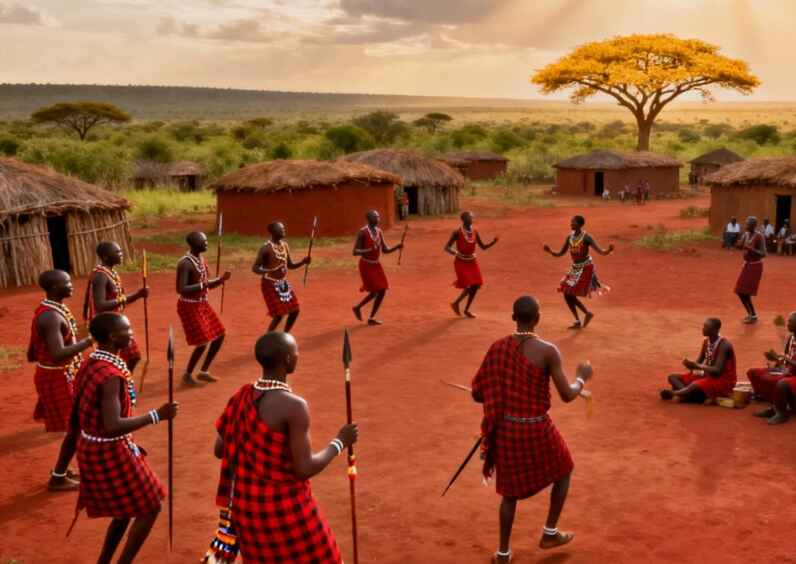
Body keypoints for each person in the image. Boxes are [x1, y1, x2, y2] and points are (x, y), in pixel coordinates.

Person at [210, 332, 357, 563]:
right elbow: (304, 468)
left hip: (246, 510)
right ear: (288, 360)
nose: (298, 355)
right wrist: (340, 441)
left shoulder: (240, 397)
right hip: (285, 510)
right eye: (296, 352)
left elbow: (220, 449)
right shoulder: (294, 406)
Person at [471, 296, 592, 562]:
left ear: (513, 318)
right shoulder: (548, 351)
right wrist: (582, 378)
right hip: (537, 429)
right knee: (564, 470)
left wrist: (498, 394)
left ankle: (503, 553)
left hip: (506, 431)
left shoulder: (497, 348)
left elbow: (477, 394)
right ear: (538, 318)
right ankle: (549, 532)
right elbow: (568, 395)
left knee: (509, 494)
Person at [70, 312, 178, 564]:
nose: (131, 333)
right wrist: (157, 415)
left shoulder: (92, 362)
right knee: (151, 505)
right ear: (111, 336)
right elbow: (112, 426)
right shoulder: (111, 376)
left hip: (96, 445)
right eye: (127, 330)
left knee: (128, 509)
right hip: (108, 449)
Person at [28, 270, 93, 491]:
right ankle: (58, 476)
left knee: (77, 425)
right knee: (76, 427)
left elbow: (32, 351)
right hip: (57, 374)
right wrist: (88, 341)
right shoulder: (50, 316)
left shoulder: (50, 311)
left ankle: (62, 470)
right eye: (67, 282)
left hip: (60, 372)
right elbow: (57, 354)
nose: (71, 285)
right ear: (55, 288)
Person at [84, 241, 149, 373]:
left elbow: (118, 300)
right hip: (106, 324)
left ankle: (123, 381)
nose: (121, 254)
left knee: (133, 356)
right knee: (118, 358)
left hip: (116, 320)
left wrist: (138, 296)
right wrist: (136, 295)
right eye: (117, 252)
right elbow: (100, 305)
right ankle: (119, 381)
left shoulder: (111, 272)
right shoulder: (101, 276)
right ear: (106, 256)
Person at [176, 232, 231, 386]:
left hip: (202, 304)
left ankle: (203, 371)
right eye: (203, 241)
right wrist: (205, 284)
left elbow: (206, 283)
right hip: (189, 305)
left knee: (220, 335)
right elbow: (181, 289)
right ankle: (187, 375)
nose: (206, 243)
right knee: (202, 342)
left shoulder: (200, 260)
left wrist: (220, 280)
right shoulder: (185, 263)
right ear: (194, 244)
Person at [543, 215, 613, 329]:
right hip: (575, 269)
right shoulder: (569, 237)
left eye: (573, 222)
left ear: (580, 225)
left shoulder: (587, 237)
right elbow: (560, 254)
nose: (571, 224)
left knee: (569, 292)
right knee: (566, 293)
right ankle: (581, 318)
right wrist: (550, 251)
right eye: (571, 222)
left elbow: (601, 251)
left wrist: (609, 250)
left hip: (586, 269)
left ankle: (584, 316)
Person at [660, 318, 736, 405]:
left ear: (715, 330)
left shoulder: (724, 345)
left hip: (722, 380)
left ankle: (676, 393)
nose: (703, 329)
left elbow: (717, 370)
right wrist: (690, 365)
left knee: (695, 385)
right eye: (704, 326)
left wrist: (697, 366)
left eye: (706, 327)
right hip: (707, 375)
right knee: (673, 377)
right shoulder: (706, 342)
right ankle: (687, 395)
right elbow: (698, 362)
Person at [252, 222, 310, 333]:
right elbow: (254, 268)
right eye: (281, 229)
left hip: (283, 283)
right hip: (269, 284)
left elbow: (290, 265)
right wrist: (269, 270)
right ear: (273, 232)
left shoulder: (284, 245)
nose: (284, 231)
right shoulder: (266, 249)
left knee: (295, 310)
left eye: (284, 229)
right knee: (279, 315)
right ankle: (267, 338)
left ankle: (285, 335)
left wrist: (303, 262)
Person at [352, 210, 403, 325]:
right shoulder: (363, 232)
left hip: (376, 264)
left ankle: (368, 314)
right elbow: (355, 251)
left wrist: (397, 247)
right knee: (377, 291)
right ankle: (360, 310)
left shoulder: (379, 232)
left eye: (379, 217)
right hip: (366, 265)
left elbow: (385, 250)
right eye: (376, 217)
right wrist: (369, 250)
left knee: (382, 290)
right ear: (369, 218)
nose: (378, 219)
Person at [444, 211, 498, 318]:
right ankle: (456, 303)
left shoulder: (475, 232)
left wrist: (493, 242)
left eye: (473, 217)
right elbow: (446, 247)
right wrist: (456, 253)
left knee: (476, 285)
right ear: (464, 220)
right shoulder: (457, 232)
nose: (472, 219)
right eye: (470, 217)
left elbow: (483, 247)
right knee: (468, 286)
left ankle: (467, 310)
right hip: (461, 262)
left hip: (472, 261)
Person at [747, 311, 796, 424]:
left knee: (782, 383)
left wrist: (783, 359)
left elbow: (788, 359)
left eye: (790, 322)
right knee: (753, 373)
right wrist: (776, 360)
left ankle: (782, 413)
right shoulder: (791, 338)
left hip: (792, 375)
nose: (787, 324)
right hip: (788, 371)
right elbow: (786, 358)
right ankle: (775, 405)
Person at [734, 216, 765, 324]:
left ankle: (753, 315)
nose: (746, 225)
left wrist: (750, 249)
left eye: (748, 224)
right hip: (747, 265)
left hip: (755, 266)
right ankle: (752, 314)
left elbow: (763, 253)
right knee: (739, 290)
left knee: (744, 291)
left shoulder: (759, 236)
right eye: (746, 223)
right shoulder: (746, 234)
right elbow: (740, 245)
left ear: (753, 225)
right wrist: (738, 244)